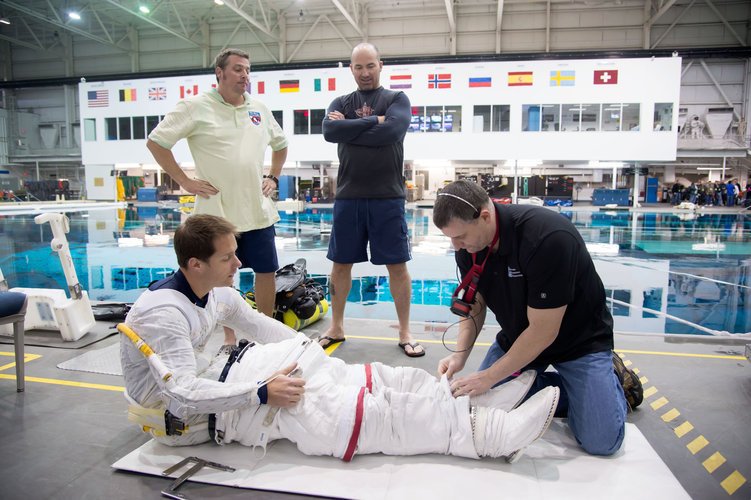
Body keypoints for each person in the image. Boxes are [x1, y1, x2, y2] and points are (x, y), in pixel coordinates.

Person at [120, 214, 559, 462]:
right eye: (228, 256)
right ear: (195, 264)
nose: (239, 262)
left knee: (372, 376)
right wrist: (260, 393)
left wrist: (307, 351)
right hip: (193, 421)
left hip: (229, 374)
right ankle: (490, 435)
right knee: (343, 412)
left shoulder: (214, 291)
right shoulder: (164, 317)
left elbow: (261, 326)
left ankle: (470, 402)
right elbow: (181, 398)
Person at [432, 180, 634, 456]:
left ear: (485, 217)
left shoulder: (546, 238)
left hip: (578, 342)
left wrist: (489, 376)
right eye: (450, 239)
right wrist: (460, 356)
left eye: (460, 237)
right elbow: (474, 304)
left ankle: (610, 381)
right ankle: (569, 391)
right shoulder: (471, 247)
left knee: (602, 442)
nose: (456, 246)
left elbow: (543, 332)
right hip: (519, 341)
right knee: (482, 413)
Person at [146, 48, 287, 348]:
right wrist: (183, 180)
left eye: (247, 70)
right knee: (223, 277)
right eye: (237, 69)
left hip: (257, 211)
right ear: (219, 73)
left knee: (266, 272)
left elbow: (281, 144)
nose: (245, 76)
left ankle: (264, 335)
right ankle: (230, 336)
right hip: (217, 215)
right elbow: (157, 141)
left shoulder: (258, 108)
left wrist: (272, 176)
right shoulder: (195, 106)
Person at [319, 42, 424, 357]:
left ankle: (405, 331)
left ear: (381, 65)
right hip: (349, 196)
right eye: (358, 67)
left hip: (387, 196)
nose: (364, 72)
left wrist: (348, 128)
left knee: (397, 265)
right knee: (340, 264)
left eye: (370, 66)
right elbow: (328, 130)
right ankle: (336, 326)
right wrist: (373, 122)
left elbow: (392, 132)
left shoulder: (396, 99)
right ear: (351, 68)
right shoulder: (340, 100)